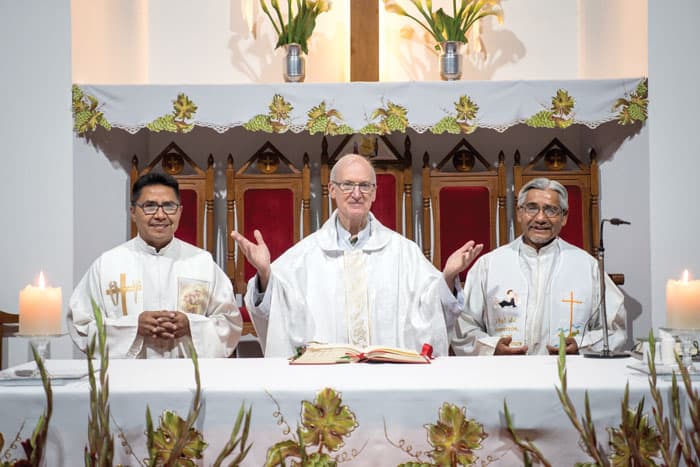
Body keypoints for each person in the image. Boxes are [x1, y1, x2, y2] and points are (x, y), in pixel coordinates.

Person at [231, 154, 482, 358]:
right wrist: (264, 274)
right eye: (347, 185)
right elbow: (270, 310)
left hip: (386, 375)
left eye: (364, 186)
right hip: (324, 383)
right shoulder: (304, 255)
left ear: (374, 193)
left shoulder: (403, 252)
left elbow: (433, 307)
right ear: (332, 190)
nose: (356, 193)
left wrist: (447, 278)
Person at [68, 172, 242, 358]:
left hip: (189, 377)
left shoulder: (201, 262)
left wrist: (191, 326)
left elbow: (229, 323)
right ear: (133, 212)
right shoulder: (108, 264)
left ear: (180, 212)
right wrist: (134, 327)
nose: (160, 215)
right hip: (128, 380)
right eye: (149, 206)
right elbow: (82, 326)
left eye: (169, 206)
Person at [451, 177, 626, 356]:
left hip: (569, 375)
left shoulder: (588, 267)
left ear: (564, 217)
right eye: (532, 208)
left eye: (551, 210)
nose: (541, 218)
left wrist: (582, 346)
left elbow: (614, 329)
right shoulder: (489, 266)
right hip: (505, 374)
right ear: (519, 213)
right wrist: (492, 348)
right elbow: (463, 327)